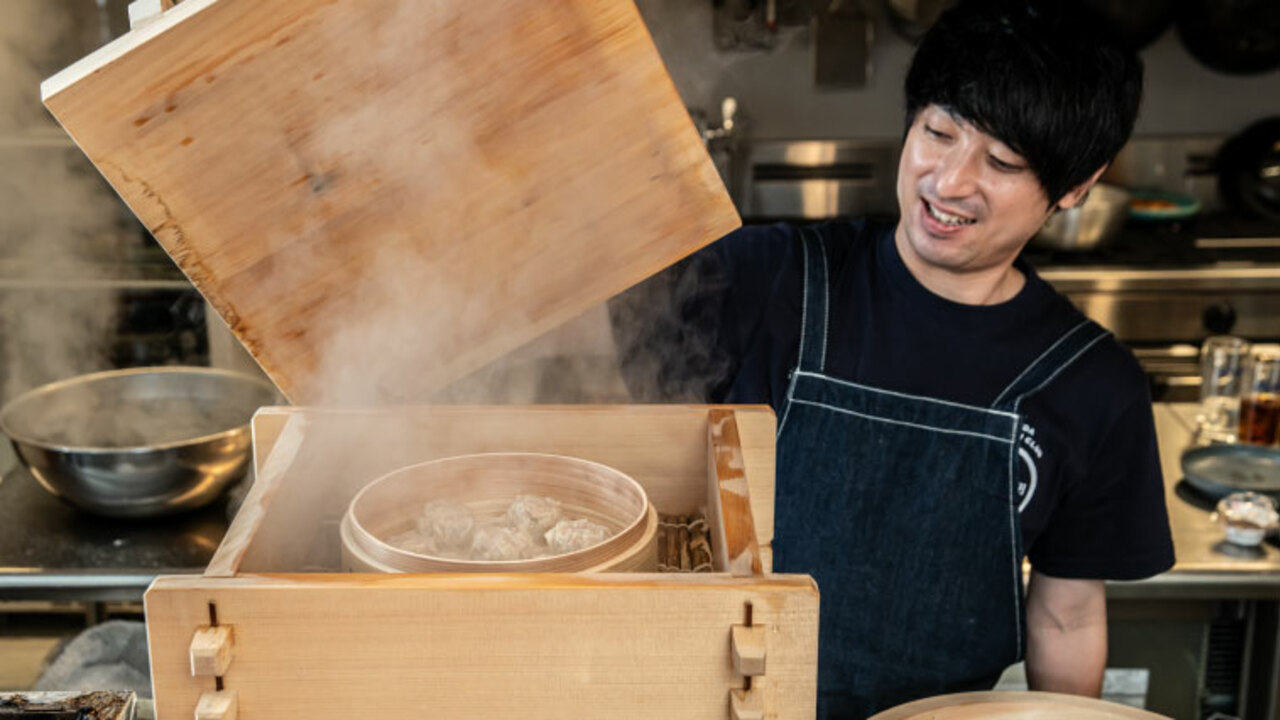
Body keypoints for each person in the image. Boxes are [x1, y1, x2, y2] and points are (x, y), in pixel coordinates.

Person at [610, 0, 1176, 716]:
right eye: (938, 133)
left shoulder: (1092, 384)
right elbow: (586, 341)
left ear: (1076, 186)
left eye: (1002, 162)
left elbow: (1067, 614)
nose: (949, 182)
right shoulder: (764, 280)